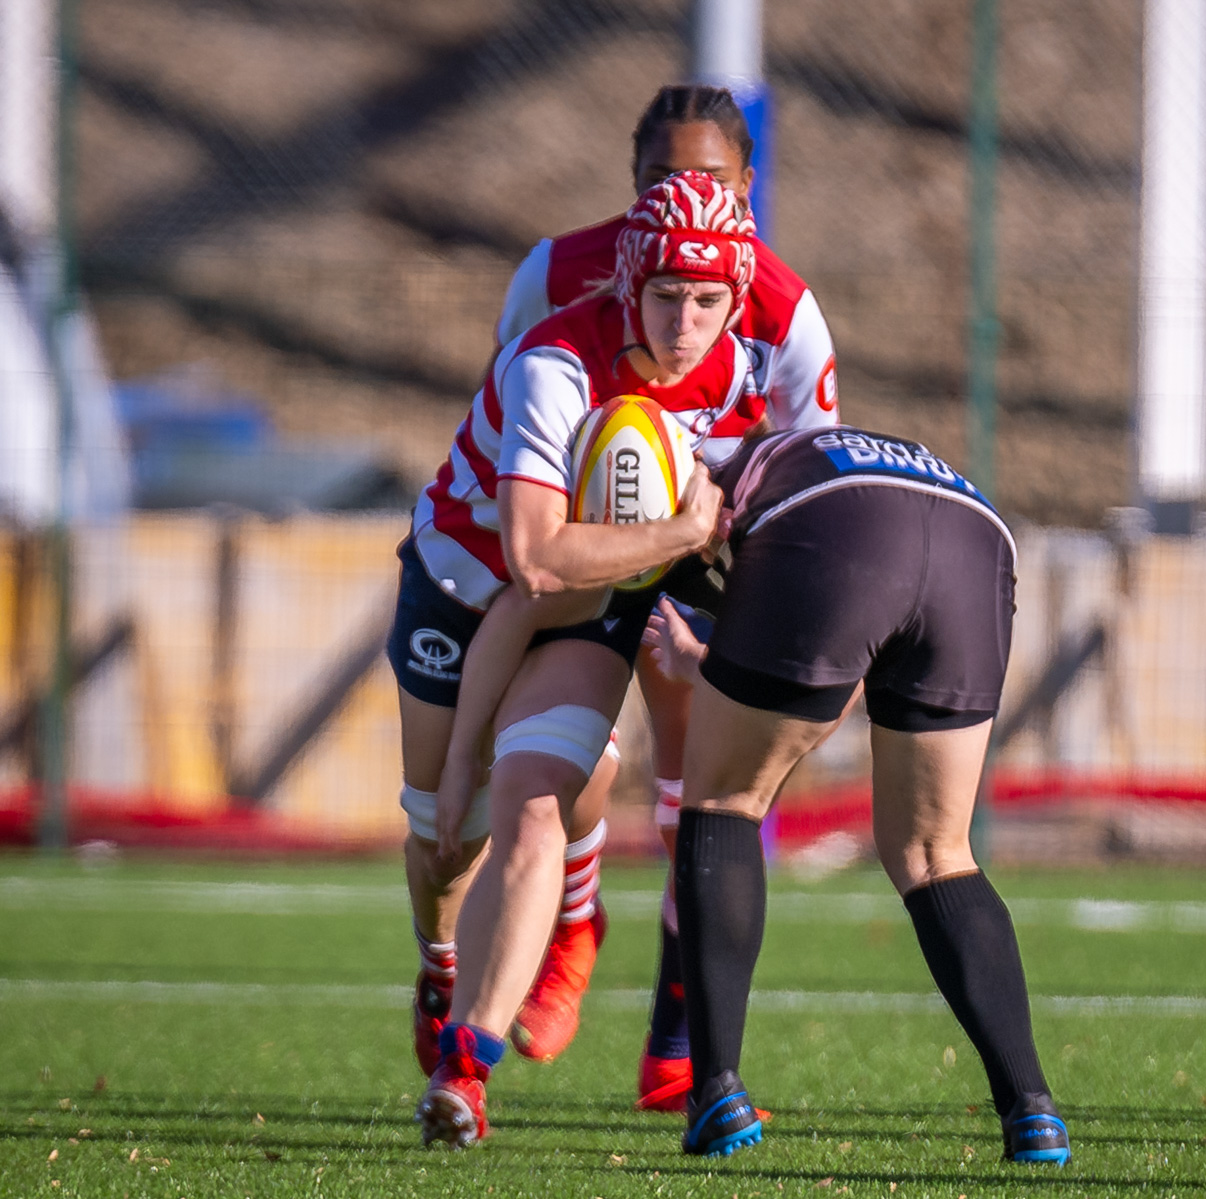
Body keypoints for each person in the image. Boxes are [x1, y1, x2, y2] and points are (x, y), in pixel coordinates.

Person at [492, 82, 840, 1107]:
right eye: (661, 178)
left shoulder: (783, 306)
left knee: (704, 778)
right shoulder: (558, 276)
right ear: (633, 181)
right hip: (581, 545)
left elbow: (808, 472)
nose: (685, 195)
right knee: (563, 753)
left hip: (709, 547)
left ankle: (677, 1040)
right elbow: (508, 418)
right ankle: (574, 918)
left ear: (749, 182)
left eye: (712, 179)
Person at [400, 171, 754, 1148]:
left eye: (711, 300)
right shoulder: (558, 359)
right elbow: (535, 557)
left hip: (587, 609)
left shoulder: (741, 376)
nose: (688, 322)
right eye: (667, 295)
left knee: (534, 805)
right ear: (628, 282)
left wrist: (715, 621)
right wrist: (684, 532)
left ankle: (469, 1065)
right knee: (440, 828)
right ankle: (438, 957)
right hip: (459, 585)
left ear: (739, 298)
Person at [648, 426, 1073, 1165]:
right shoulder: (809, 444)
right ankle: (1030, 1106)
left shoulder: (703, 470)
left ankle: (715, 1087)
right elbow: (833, 670)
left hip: (841, 521)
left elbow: (795, 601)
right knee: (936, 850)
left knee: (721, 800)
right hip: (978, 540)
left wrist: (700, 669)